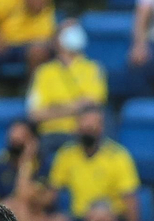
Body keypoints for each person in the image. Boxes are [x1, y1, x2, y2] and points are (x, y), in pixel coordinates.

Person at [47, 107, 141, 221]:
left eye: (92, 128)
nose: (88, 132)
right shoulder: (66, 155)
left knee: (100, 217)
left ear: (101, 128)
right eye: (85, 128)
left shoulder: (118, 156)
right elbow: (52, 194)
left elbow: (130, 200)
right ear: (77, 128)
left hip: (112, 218)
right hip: (79, 218)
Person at [26, 20, 106, 159]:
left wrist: (53, 109)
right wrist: (75, 107)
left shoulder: (93, 68)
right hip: (51, 136)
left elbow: (93, 103)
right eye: (68, 30)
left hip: (81, 135)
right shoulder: (44, 72)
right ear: (57, 40)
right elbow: (34, 114)